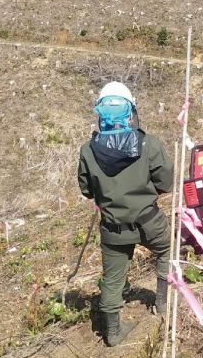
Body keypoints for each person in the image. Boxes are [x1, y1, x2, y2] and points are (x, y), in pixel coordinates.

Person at [77, 81, 174, 347]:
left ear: (100, 114)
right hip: (148, 221)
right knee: (167, 250)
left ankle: (113, 333)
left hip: (112, 228)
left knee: (112, 279)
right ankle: (163, 304)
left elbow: (86, 190)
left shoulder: (88, 150)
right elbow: (166, 182)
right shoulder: (148, 143)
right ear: (130, 112)